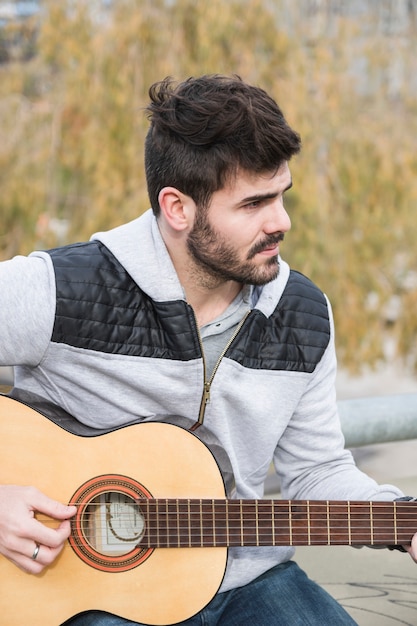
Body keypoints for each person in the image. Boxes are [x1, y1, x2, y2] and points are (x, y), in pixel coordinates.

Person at [0, 74, 416, 626]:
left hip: (249, 581)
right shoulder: (55, 289)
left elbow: (316, 471)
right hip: (86, 593)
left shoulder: (302, 313)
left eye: (282, 195)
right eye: (254, 204)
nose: (281, 222)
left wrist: (403, 522)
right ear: (177, 207)